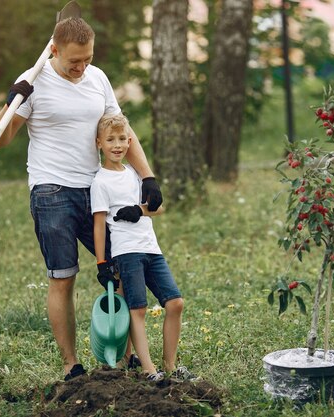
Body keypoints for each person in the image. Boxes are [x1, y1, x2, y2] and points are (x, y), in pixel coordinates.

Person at [0, 17, 162, 381]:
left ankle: (127, 357)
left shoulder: (97, 78)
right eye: (74, 62)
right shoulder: (33, 82)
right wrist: (10, 103)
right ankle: (72, 366)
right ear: (54, 50)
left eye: (87, 58)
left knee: (123, 265)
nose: (81, 67)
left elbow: (121, 130)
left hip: (97, 188)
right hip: (51, 191)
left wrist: (148, 177)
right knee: (63, 277)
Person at [91, 113, 196, 382]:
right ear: (99, 143)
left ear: (130, 141)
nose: (118, 145)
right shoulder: (100, 182)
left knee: (175, 303)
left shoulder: (136, 175)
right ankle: (149, 370)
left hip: (151, 248)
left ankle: (170, 366)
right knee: (137, 309)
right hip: (127, 253)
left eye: (123, 139)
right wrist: (102, 263)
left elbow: (158, 208)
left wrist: (139, 210)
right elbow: (99, 226)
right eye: (111, 140)